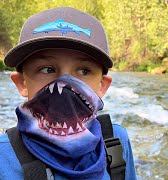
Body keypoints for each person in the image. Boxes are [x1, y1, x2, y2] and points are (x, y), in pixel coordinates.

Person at [0, 6, 137, 180]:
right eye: (47, 69)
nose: (65, 84)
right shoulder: (2, 156)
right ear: (22, 82)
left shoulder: (116, 139)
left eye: (84, 71)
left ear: (102, 86)